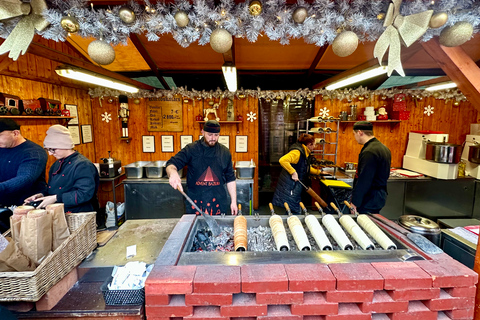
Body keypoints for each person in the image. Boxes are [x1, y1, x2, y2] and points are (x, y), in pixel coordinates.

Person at [166, 120, 238, 215]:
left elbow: (230, 179)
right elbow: (171, 164)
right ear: (203, 132)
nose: (213, 138)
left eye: (216, 135)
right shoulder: (191, 149)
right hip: (195, 203)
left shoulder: (225, 152)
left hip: (218, 203)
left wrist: (234, 201)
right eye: (210, 135)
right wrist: (173, 173)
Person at [24, 125, 99, 213]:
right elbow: (53, 189)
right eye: (47, 150)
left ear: (65, 145)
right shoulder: (55, 165)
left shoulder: (83, 165)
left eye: (52, 149)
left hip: (79, 213)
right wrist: (42, 195)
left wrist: (56, 198)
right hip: (59, 213)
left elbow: (84, 194)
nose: (50, 154)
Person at [0, 119, 48, 232]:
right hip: (3, 208)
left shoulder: (34, 152)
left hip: (27, 210)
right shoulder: (2, 147)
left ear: (15, 133)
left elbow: (25, 178)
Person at [272, 133, 324, 214]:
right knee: (293, 207)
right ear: (309, 144)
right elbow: (282, 160)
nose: (314, 147)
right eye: (314, 145)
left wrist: (320, 172)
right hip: (290, 184)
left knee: (292, 206)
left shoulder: (305, 153)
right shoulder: (297, 152)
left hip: (294, 184)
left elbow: (305, 167)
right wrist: (293, 172)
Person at [350, 121, 391, 214]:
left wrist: (355, 202)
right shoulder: (383, 148)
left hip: (369, 198)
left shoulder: (369, 151)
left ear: (360, 132)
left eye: (354, 134)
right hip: (379, 196)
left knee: (365, 224)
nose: (354, 137)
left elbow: (365, 179)